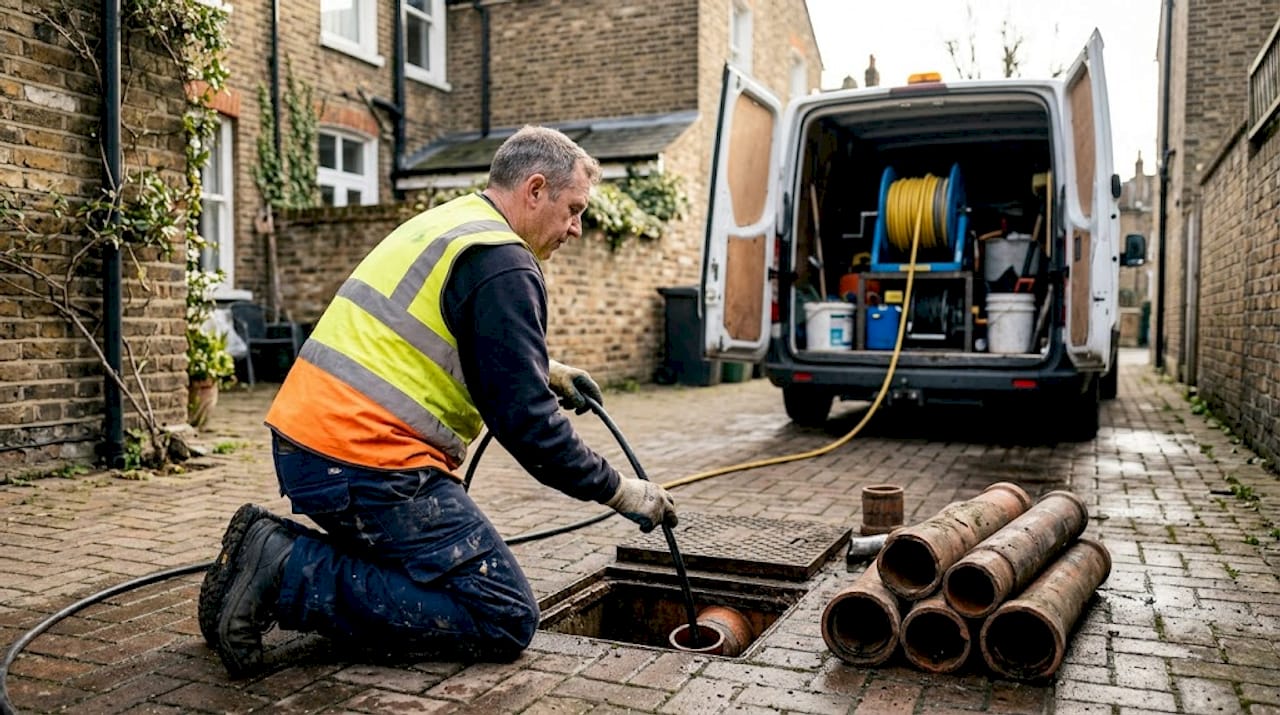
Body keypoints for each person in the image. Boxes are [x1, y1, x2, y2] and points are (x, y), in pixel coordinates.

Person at [198, 126, 678, 678]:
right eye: (573, 209)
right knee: (502, 614)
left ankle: (276, 562)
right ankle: (284, 569)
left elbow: (448, 334)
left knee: (432, 577)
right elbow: (527, 425)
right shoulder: (503, 260)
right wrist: (622, 493)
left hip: (312, 442)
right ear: (536, 189)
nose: (576, 227)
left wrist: (546, 369)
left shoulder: (453, 224)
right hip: (365, 461)